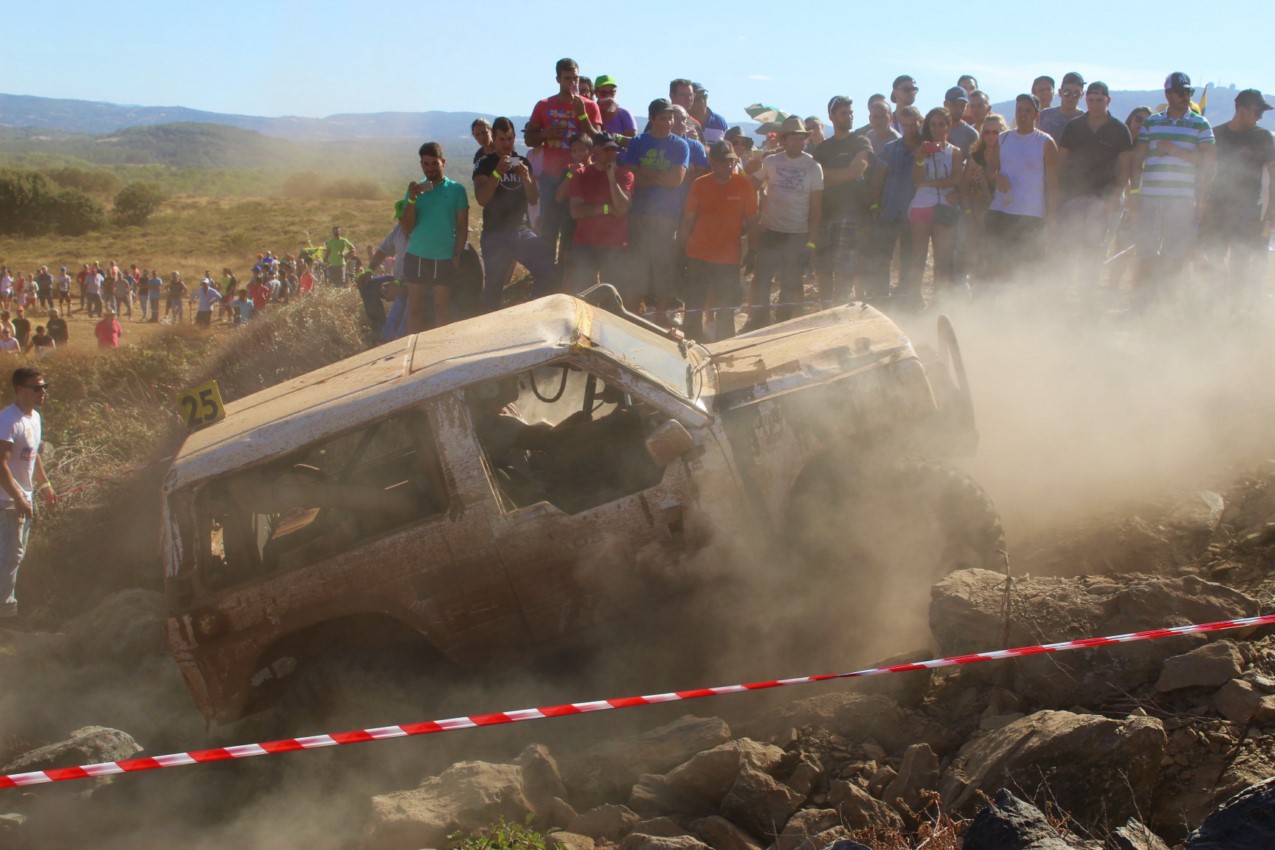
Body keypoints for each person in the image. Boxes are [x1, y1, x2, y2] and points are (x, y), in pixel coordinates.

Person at [1129, 72, 1216, 298]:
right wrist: (1135, 191)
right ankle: (1142, 298)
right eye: (1181, 92)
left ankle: (1168, 301)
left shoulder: (1201, 124)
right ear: (1168, 94)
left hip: (1182, 199)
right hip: (1150, 197)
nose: (1185, 96)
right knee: (1146, 250)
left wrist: (1175, 151)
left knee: (1175, 253)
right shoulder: (1152, 122)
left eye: (1189, 92)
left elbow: (1208, 163)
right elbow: (1137, 159)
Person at [1199, 88, 1275, 315]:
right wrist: (1200, 205)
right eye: (1257, 111)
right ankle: (1213, 305)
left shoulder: (1263, 137)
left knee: (1242, 262)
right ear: (1241, 110)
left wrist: (1272, 210)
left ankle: (1237, 310)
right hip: (1217, 207)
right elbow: (1204, 173)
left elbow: (1274, 174)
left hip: (1249, 210)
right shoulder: (1216, 134)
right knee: (1212, 258)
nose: (1260, 116)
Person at [1057, 82, 1133, 298]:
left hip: (1103, 198)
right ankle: (1063, 292)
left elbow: (1124, 167)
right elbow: (1061, 161)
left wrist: (1115, 197)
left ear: (1108, 100)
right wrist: (1058, 195)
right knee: (1068, 247)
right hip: (1073, 196)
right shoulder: (1074, 127)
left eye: (1099, 100)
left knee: (1094, 249)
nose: (1095, 104)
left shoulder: (1119, 129)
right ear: (1085, 100)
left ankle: (1086, 295)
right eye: (1091, 100)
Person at [747, 116, 824, 328]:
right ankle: (758, 322)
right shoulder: (771, 162)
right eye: (793, 138)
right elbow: (750, 185)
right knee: (762, 280)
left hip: (797, 233)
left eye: (801, 138)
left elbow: (817, 208)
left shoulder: (813, 167)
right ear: (784, 139)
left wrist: (811, 242)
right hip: (771, 230)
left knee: (791, 283)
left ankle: (784, 324)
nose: (797, 142)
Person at [474, 117, 556, 312]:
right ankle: (488, 331)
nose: (506, 144)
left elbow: (534, 199)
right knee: (494, 287)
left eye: (510, 138)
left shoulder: (522, 161)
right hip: (495, 234)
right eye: (502, 139)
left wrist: (527, 178)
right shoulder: (485, 163)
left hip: (520, 231)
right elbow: (482, 198)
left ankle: (532, 312)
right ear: (494, 138)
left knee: (548, 271)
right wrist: (496, 174)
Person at [525, 58, 603, 265]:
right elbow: (529, 139)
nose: (572, 83)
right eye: (567, 78)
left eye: (575, 78)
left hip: (580, 178)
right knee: (549, 231)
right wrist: (545, 133)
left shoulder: (589, 106)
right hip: (552, 177)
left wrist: (582, 116)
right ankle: (546, 279)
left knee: (572, 232)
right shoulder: (544, 105)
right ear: (558, 79)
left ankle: (566, 281)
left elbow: (599, 140)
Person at [679, 141, 758, 340]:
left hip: (729, 258)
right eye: (723, 162)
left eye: (731, 161)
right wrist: (680, 251)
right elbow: (688, 220)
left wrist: (754, 251)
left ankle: (724, 347)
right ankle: (690, 345)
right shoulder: (700, 184)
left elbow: (752, 222)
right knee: (694, 305)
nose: (728, 165)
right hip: (698, 253)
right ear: (712, 162)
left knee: (725, 307)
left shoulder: (743, 184)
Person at [619, 99, 689, 315]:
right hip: (639, 212)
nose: (668, 122)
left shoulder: (680, 145)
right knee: (637, 264)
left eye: (671, 118)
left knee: (664, 266)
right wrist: (660, 176)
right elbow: (631, 178)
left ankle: (661, 316)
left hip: (667, 216)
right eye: (663, 118)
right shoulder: (638, 142)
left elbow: (676, 180)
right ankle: (633, 313)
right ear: (651, 119)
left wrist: (645, 172)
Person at [0, 367, 55, 622]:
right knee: (10, 556)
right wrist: (19, 499)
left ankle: (7, 608)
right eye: (36, 387)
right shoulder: (8, 421)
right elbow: (1, 464)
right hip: (7, 500)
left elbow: (34, 455)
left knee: (15, 555)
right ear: (20, 389)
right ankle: (6, 613)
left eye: (44, 386)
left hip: (24, 497)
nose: (42, 392)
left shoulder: (35, 418)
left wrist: (45, 486)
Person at [985, 94, 1059, 281]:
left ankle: (1024, 304)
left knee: (1026, 265)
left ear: (1036, 114)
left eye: (1027, 111)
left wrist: (1052, 217)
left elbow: (1053, 183)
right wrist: (997, 178)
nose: (1023, 114)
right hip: (1002, 210)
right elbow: (989, 169)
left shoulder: (1045, 142)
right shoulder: (1003, 139)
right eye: (1020, 110)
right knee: (998, 261)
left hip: (1031, 213)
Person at [399, 142, 469, 331]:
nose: (430, 168)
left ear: (443, 162)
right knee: (414, 311)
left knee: (442, 312)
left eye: (434, 163)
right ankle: (410, 356)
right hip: (417, 256)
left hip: (444, 257)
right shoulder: (415, 190)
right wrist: (412, 200)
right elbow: (406, 227)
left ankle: (439, 354)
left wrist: (457, 255)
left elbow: (463, 227)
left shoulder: (457, 190)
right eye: (425, 164)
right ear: (421, 164)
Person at [813, 96, 874, 306]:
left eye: (850, 113)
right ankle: (826, 309)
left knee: (845, 268)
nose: (849, 117)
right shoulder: (822, 148)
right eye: (843, 113)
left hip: (852, 213)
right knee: (823, 268)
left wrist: (825, 174)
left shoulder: (860, 141)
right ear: (832, 117)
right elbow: (816, 181)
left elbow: (857, 170)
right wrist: (839, 175)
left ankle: (839, 308)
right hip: (825, 212)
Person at [865, 106, 924, 304]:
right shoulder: (890, 148)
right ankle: (879, 299)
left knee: (909, 259)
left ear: (919, 122)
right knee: (882, 258)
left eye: (912, 125)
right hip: (888, 210)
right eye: (905, 125)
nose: (908, 129)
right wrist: (874, 204)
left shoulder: (925, 149)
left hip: (913, 214)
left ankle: (905, 299)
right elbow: (878, 179)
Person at [908, 107, 966, 298]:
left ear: (948, 127)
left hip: (944, 207)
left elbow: (956, 179)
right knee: (918, 256)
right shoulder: (921, 150)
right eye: (933, 124)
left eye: (941, 124)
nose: (937, 128)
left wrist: (929, 183)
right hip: (921, 205)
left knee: (943, 257)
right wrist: (919, 159)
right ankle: (914, 297)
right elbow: (916, 180)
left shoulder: (955, 152)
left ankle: (941, 300)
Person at [567, 133, 634, 293]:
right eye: (607, 149)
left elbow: (623, 208)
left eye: (614, 149)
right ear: (595, 151)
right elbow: (575, 212)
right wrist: (606, 208)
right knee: (583, 293)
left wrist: (612, 179)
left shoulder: (625, 175)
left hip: (615, 244)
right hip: (585, 244)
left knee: (612, 296)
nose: (612, 153)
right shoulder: (581, 174)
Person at [1039, 72, 1086, 142]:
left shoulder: (1085, 119)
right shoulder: (1045, 115)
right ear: (1060, 92)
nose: (1071, 97)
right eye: (1067, 92)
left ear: (1081, 95)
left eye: (1076, 94)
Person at [593, 74, 636, 140]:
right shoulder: (591, 112)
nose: (608, 96)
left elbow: (633, 142)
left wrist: (614, 138)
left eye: (611, 92)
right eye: (603, 93)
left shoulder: (624, 113)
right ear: (595, 93)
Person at [944, 87, 978, 155]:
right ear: (945, 104)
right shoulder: (932, 127)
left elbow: (972, 162)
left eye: (962, 106)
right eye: (954, 105)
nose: (959, 109)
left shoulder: (971, 134)